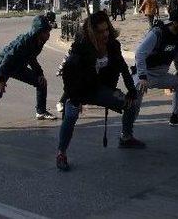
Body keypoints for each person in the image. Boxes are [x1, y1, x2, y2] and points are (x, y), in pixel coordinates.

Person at [56, 11, 144, 171]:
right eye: (100, 31)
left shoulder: (113, 45)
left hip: (100, 89)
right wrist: (74, 98)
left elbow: (123, 67)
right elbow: (68, 75)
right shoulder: (80, 47)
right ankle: (61, 153)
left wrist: (131, 89)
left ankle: (126, 137)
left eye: (107, 30)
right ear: (91, 32)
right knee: (70, 117)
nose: (105, 34)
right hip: (78, 90)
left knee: (132, 103)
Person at [0, 15, 57, 132]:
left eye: (49, 31)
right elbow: (7, 58)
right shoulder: (24, 41)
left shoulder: (40, 41)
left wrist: (40, 74)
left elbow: (32, 59)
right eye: (46, 32)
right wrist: (1, 79)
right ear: (39, 31)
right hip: (2, 65)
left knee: (41, 83)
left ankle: (41, 111)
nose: (48, 35)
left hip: (18, 67)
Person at [134, 8, 178, 126]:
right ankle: (127, 128)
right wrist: (142, 76)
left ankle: (177, 116)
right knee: (136, 94)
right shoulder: (158, 33)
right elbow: (140, 53)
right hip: (145, 73)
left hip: (161, 74)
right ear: (175, 22)